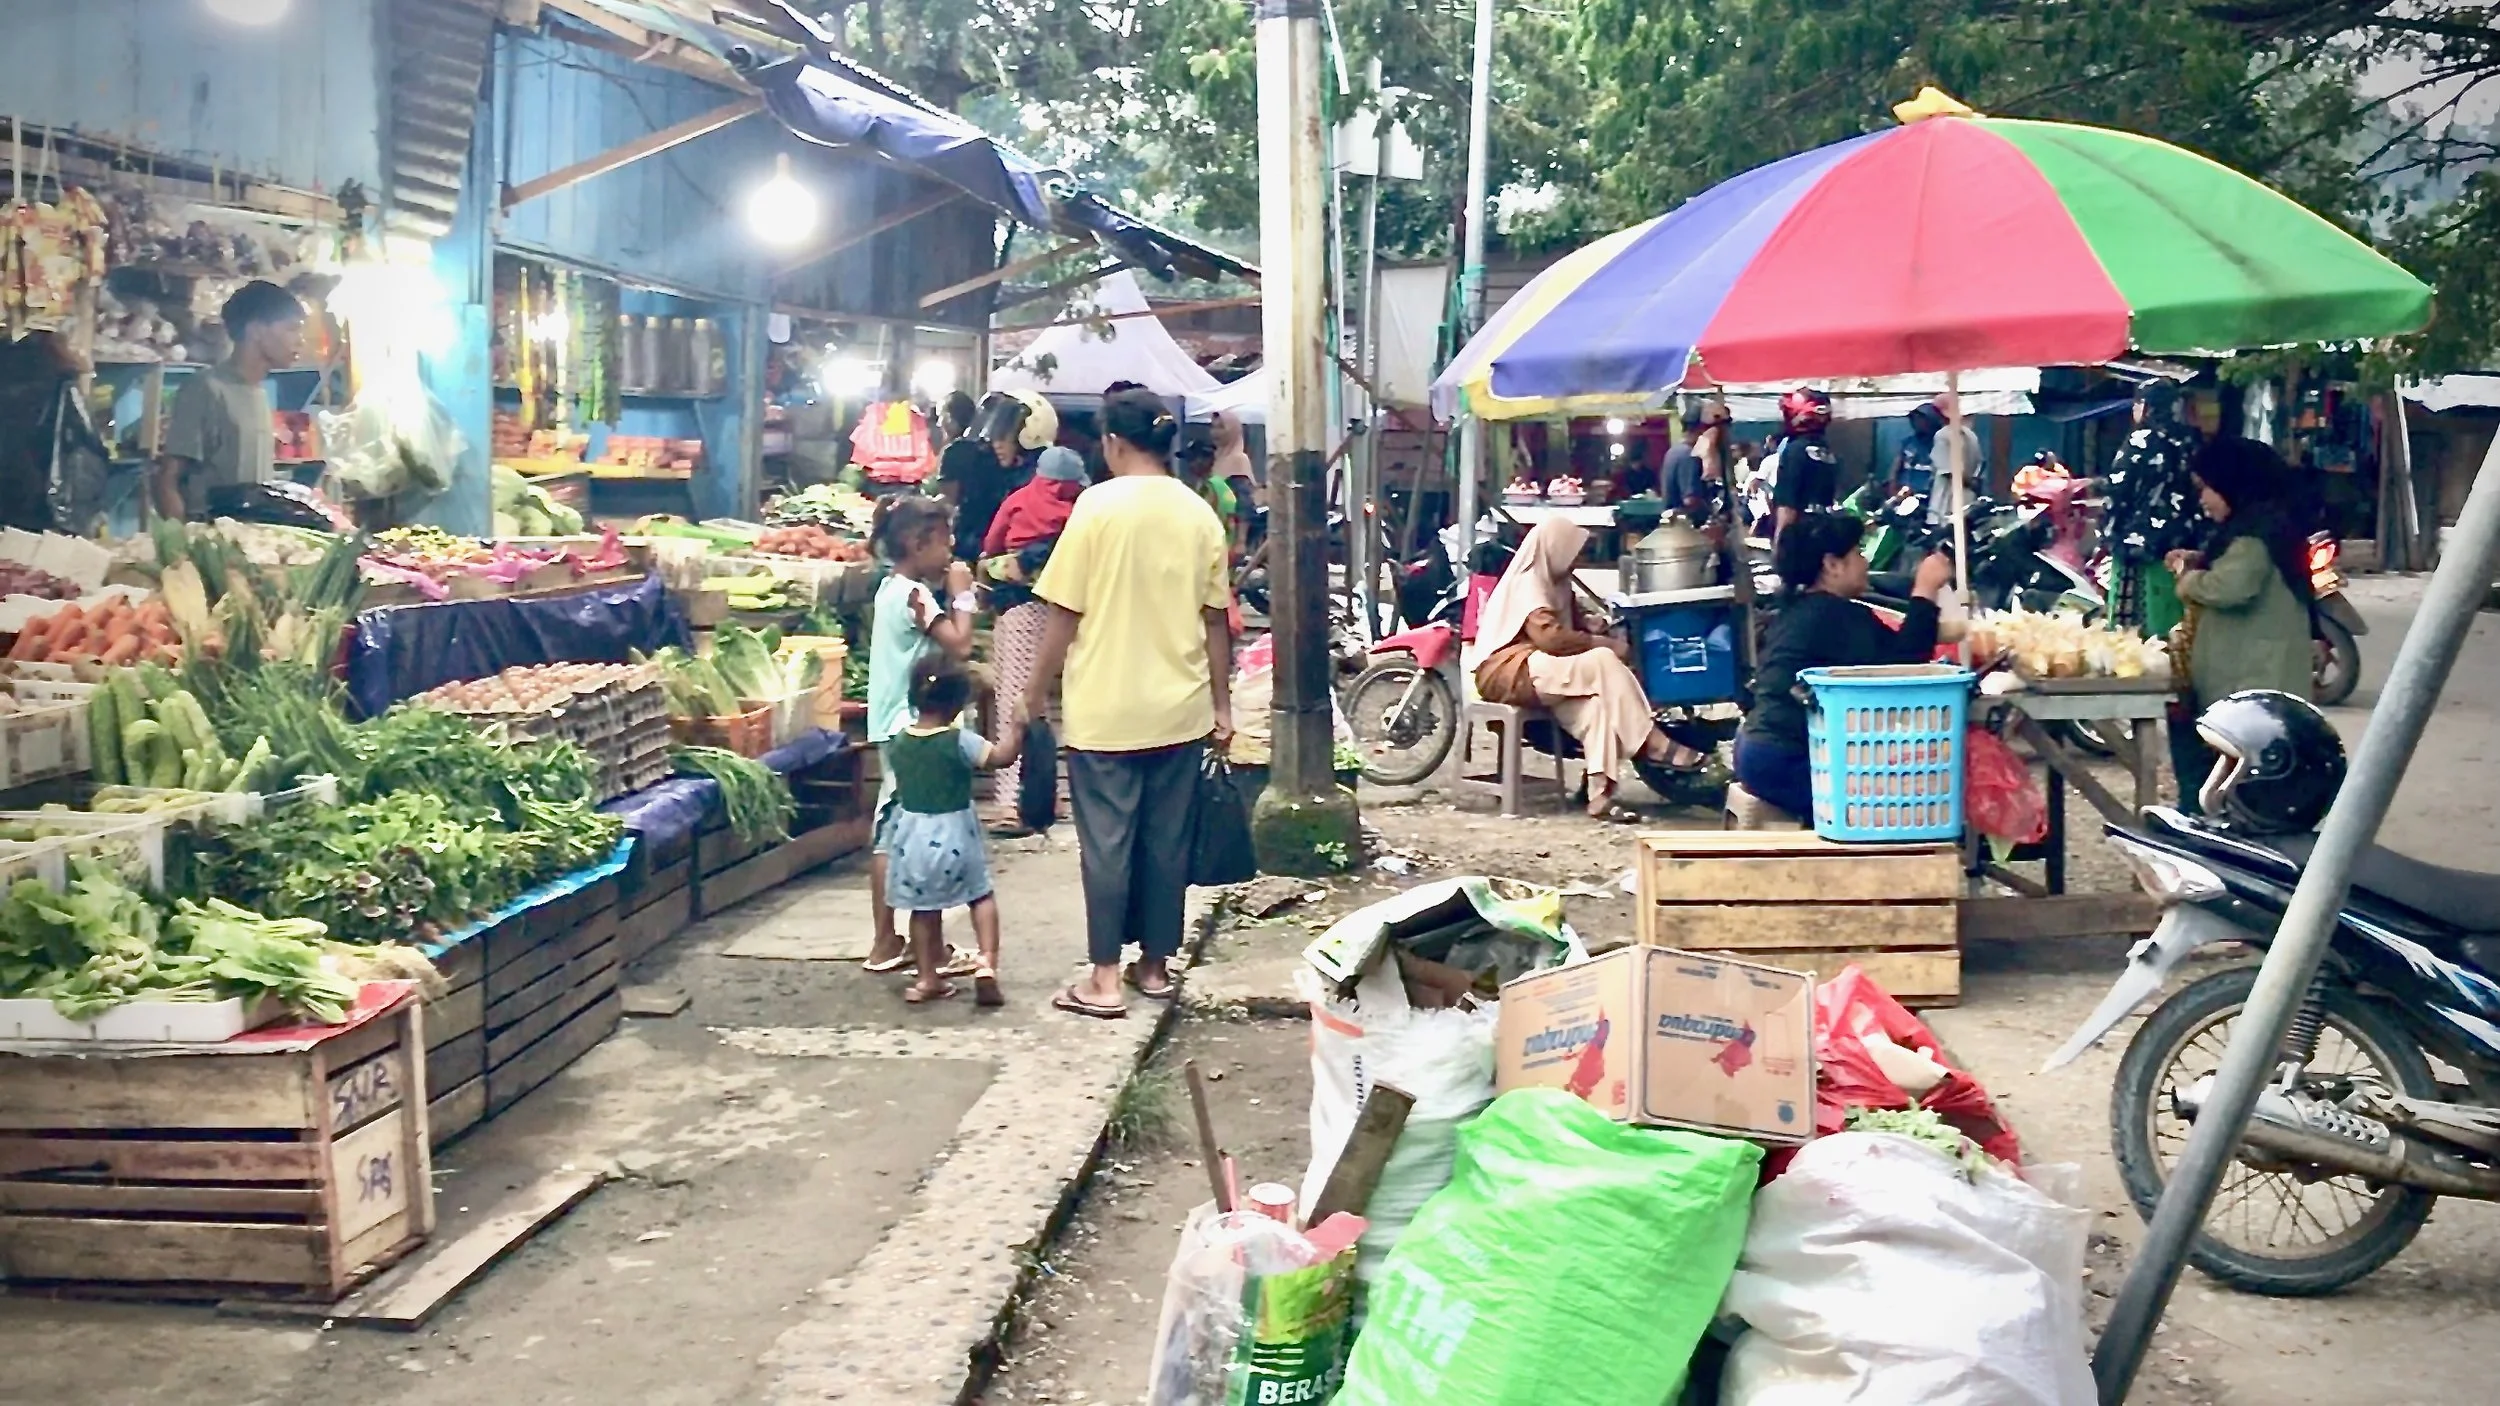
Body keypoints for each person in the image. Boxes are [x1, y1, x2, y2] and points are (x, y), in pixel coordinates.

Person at [1024, 389, 1233, 1020]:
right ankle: (1155, 966)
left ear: (1113, 442)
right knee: (1165, 841)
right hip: (1182, 707)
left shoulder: (1096, 507)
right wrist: (1223, 706)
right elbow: (1216, 620)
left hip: (1106, 708)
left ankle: (1105, 978)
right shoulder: (1199, 513)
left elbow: (1064, 610)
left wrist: (1033, 690)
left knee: (1108, 843)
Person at [1469, 518, 1705, 820]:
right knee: (1602, 660)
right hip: (1508, 670)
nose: (1578, 561)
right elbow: (1551, 638)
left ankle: (1600, 795)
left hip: (1541, 670)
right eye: (1574, 552)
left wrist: (1596, 628)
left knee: (1595, 708)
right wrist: (1602, 642)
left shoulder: (1558, 584)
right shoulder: (1530, 581)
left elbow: (1570, 631)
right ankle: (1653, 743)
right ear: (1556, 548)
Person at [1735, 510, 1955, 822]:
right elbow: (1906, 664)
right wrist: (1926, 588)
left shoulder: (1799, 610)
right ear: (1832, 565)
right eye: (1858, 553)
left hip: (1757, 749)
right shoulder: (1832, 616)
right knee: (1894, 807)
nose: (1865, 562)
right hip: (1784, 760)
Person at [2164, 437, 2317, 807]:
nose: (2203, 499)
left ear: (2232, 483)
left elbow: (2232, 586)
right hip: (2253, 678)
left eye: (2208, 488)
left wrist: (2188, 578)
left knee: (2236, 781)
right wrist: (2202, 558)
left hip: (2256, 680)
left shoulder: (2254, 534)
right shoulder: (2261, 525)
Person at [864, 496, 979, 977]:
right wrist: (964, 593)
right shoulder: (916, 595)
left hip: (890, 724)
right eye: (945, 543)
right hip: (908, 727)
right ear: (917, 543)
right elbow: (961, 641)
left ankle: (898, 942)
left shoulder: (890, 588)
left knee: (893, 832)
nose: (950, 551)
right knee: (898, 836)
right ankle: (893, 943)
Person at [884, 656, 1025, 1006]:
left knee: (923, 910)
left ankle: (928, 978)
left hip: (912, 839)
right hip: (956, 837)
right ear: (959, 703)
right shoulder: (960, 741)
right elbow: (1003, 757)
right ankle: (986, 963)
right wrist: (1018, 728)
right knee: (980, 896)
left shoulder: (899, 742)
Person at [980, 445, 1090, 828]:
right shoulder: (1077, 513)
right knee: (1039, 702)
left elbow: (991, 545)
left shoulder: (1019, 501)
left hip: (1019, 610)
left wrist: (996, 567)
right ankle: (1048, 794)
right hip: (1063, 611)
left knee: (1016, 699)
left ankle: (1012, 802)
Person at [154, 280, 304, 521]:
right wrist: (184, 543)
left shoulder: (260, 393)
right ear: (256, 330)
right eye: (291, 328)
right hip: (213, 536)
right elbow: (167, 480)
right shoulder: (205, 388)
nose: (300, 340)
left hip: (256, 539)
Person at [2097, 382, 2202, 637]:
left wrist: (2108, 532)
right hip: (2180, 551)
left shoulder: (2140, 439)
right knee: (2174, 625)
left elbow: (2118, 490)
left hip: (2138, 549)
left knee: (2133, 634)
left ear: (2145, 406)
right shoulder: (2191, 440)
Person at [937, 390, 1015, 561]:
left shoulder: (955, 452)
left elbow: (948, 502)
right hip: (998, 540)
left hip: (966, 540)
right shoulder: (1004, 456)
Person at [1894, 395, 1980, 523]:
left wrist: (1968, 482)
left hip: (1947, 504)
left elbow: (1947, 471)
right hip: (1966, 501)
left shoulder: (1943, 435)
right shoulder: (1970, 435)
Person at [1769, 388, 1838, 538]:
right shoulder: (1826, 451)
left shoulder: (1795, 451)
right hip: (1823, 529)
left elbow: (1788, 505)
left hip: (1800, 535)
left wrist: (1781, 543)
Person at [1661, 403, 1732, 523]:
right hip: (1691, 533)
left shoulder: (1675, 451)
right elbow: (1690, 500)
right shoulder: (1690, 455)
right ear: (1704, 429)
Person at [1209, 410, 1257, 511]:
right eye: (1213, 427)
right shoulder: (1216, 459)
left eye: (1221, 427)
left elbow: (1244, 502)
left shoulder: (1239, 459)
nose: (1215, 432)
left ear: (1233, 431)